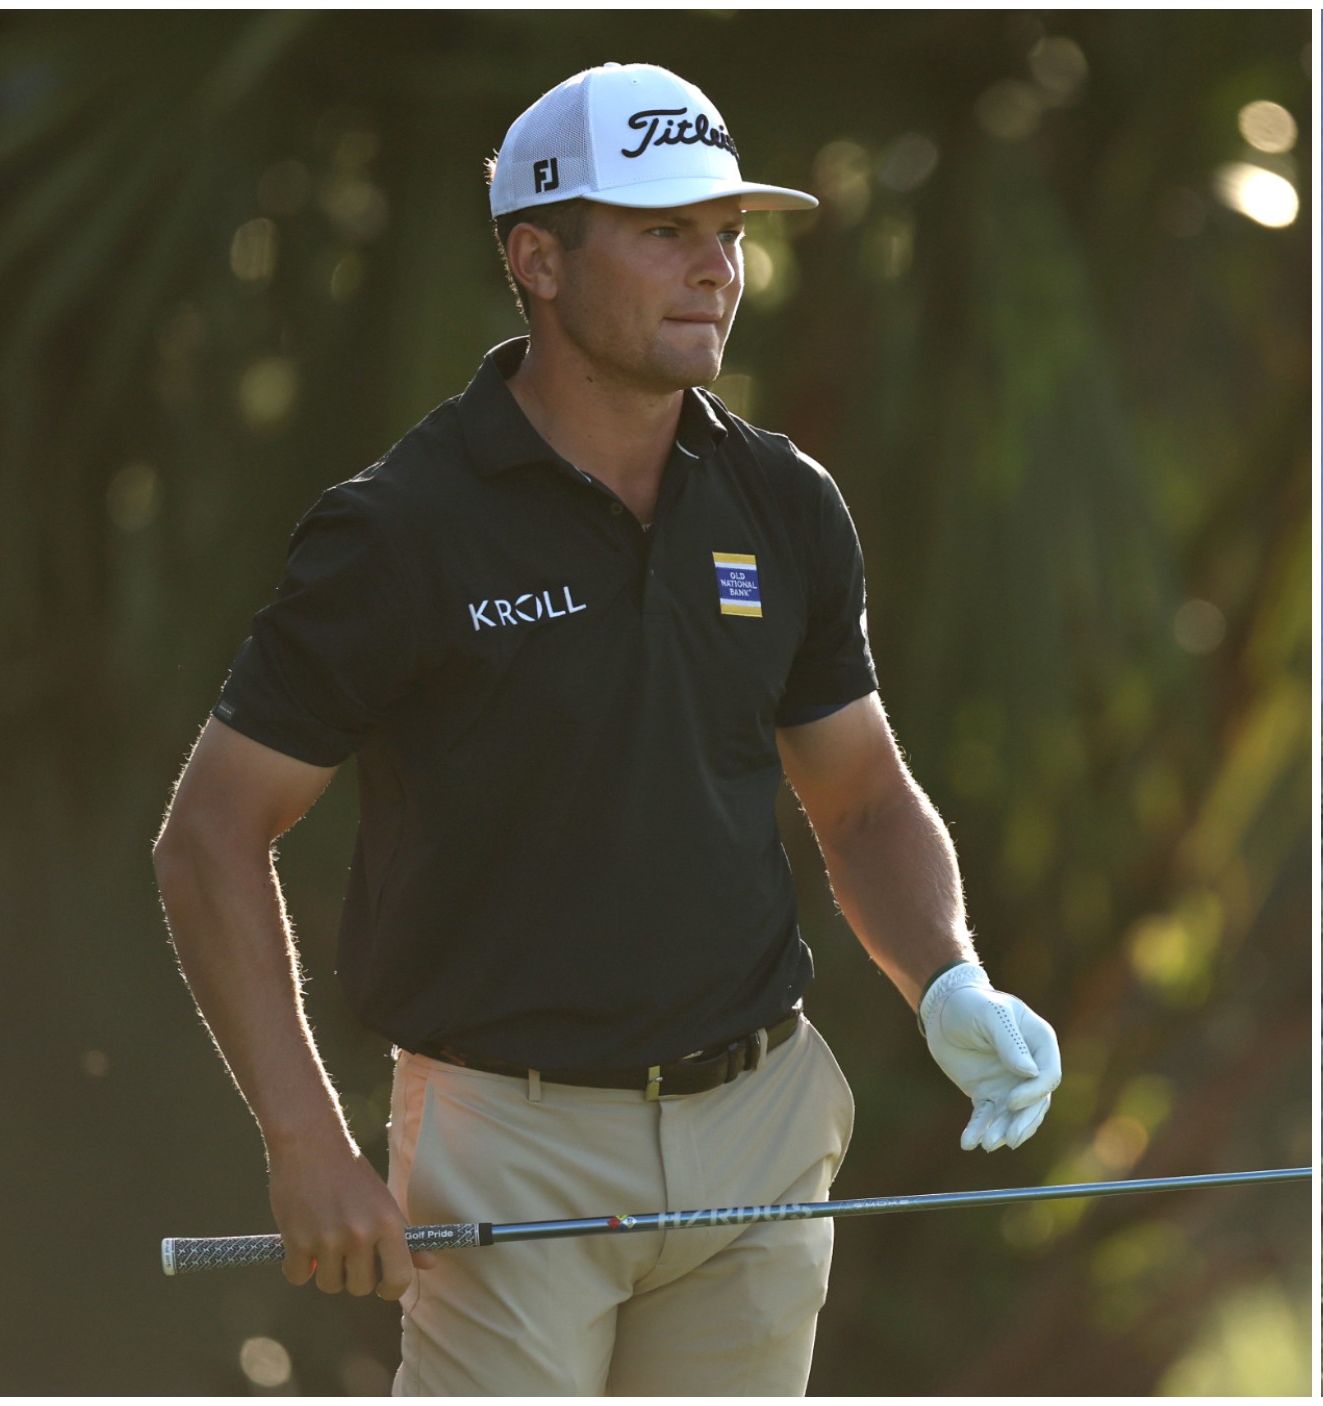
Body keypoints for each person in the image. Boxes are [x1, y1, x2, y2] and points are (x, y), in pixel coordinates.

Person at [151, 62, 1063, 1394]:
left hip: (762, 1126)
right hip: (506, 1142)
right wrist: (303, 1135)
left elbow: (861, 799)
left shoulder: (783, 501)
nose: (715, 270)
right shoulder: (400, 529)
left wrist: (949, 974)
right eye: (662, 232)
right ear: (537, 259)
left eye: (727, 233)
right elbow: (211, 836)